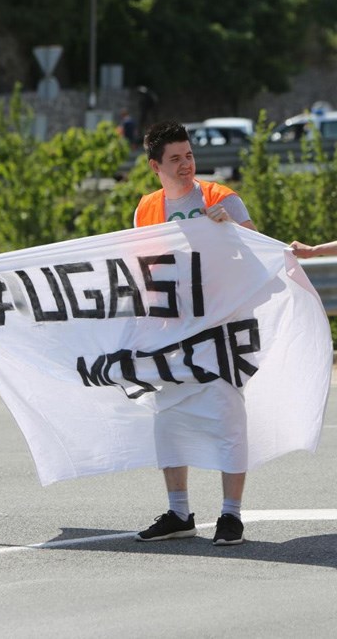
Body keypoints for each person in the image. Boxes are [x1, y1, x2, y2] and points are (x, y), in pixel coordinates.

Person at [132, 121, 256, 546]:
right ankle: (179, 512)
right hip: (171, 331)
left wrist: (232, 230)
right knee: (169, 423)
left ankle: (231, 515)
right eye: (175, 159)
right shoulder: (145, 208)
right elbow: (141, 270)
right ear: (155, 165)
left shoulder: (222, 198)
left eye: (189, 156)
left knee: (228, 419)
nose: (186, 165)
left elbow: (262, 252)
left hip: (219, 326)